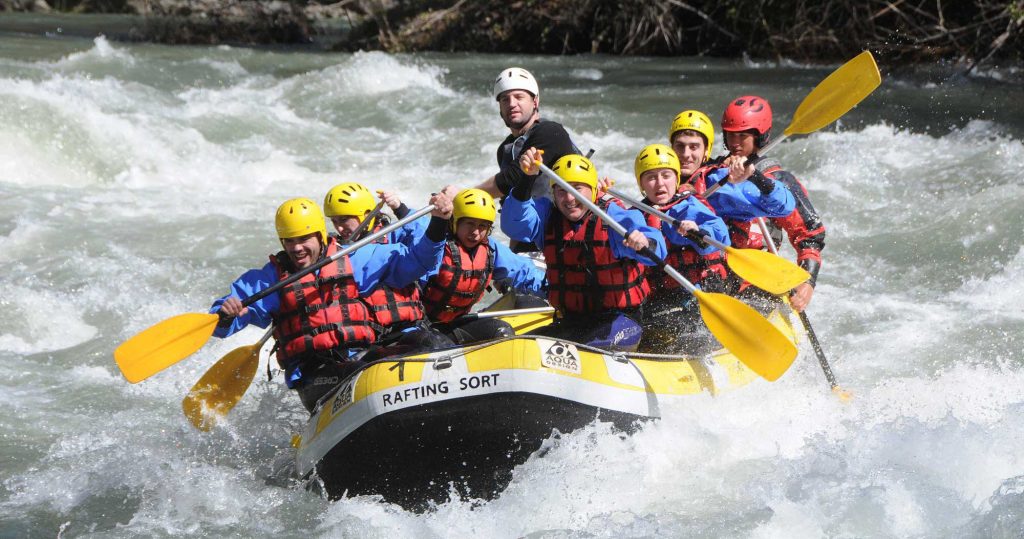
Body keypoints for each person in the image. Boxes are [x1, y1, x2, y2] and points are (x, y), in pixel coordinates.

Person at [211, 195, 452, 412]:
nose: (296, 248)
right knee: (367, 374)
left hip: (361, 357)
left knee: (434, 343)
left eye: (304, 239)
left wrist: (439, 221)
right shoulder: (268, 279)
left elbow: (419, 261)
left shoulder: (353, 258)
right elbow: (219, 326)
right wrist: (228, 314)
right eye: (289, 241)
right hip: (314, 375)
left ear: (319, 235)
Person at [501, 151, 667, 352]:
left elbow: (656, 250)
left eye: (577, 189)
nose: (569, 198)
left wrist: (645, 242)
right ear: (553, 193)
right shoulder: (547, 216)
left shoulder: (613, 217)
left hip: (621, 321)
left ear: (593, 191)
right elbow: (513, 224)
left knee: (588, 348)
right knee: (520, 348)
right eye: (561, 190)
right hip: (572, 321)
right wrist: (527, 178)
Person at [717, 96, 826, 312]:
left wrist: (808, 281)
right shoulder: (715, 173)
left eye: (743, 135)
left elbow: (809, 234)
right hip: (714, 273)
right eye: (730, 134)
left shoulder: (779, 182)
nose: (735, 142)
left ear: (760, 137)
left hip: (756, 281)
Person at [323, 181, 452, 352]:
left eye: (344, 219)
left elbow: (426, 246)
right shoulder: (336, 251)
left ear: (367, 214)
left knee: (436, 344)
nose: (339, 227)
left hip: (408, 330)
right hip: (367, 342)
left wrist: (401, 209)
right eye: (334, 221)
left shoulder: (394, 234)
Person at [631, 144, 730, 353]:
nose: (659, 183)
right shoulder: (635, 214)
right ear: (641, 183)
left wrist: (698, 231)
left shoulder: (690, 206)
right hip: (659, 299)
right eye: (651, 177)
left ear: (676, 179)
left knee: (684, 330)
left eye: (666, 175)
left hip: (699, 294)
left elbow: (720, 235)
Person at [420, 188, 547, 344]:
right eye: (470, 224)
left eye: (482, 226)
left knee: (503, 331)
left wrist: (557, 290)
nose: (475, 232)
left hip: (454, 324)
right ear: (455, 222)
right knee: (435, 344)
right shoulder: (434, 248)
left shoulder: (490, 249)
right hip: (420, 326)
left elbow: (525, 273)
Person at [472, 67, 578, 201]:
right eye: (505, 99)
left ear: (535, 101)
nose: (512, 104)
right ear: (500, 107)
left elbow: (512, 178)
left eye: (519, 97)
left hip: (561, 216)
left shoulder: (550, 132)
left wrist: (465, 195)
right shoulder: (505, 149)